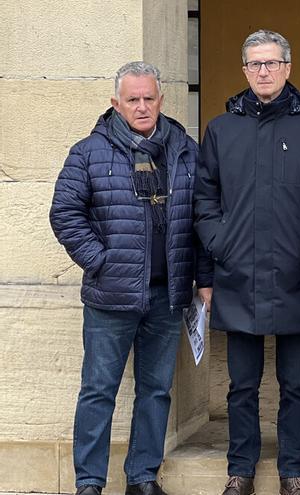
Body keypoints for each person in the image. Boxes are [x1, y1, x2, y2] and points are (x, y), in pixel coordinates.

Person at [50, 61, 211, 495]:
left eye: (148, 98)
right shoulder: (88, 151)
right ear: (116, 104)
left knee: (156, 390)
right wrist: (99, 260)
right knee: (98, 391)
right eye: (132, 99)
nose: (142, 107)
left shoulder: (185, 148)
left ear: (161, 99)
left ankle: (142, 478)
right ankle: (89, 482)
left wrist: (199, 278)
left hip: (167, 294)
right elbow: (65, 213)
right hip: (110, 296)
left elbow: (201, 217)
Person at [193, 30, 300, 495]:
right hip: (237, 274)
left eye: (272, 63)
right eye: (255, 64)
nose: (263, 71)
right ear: (244, 71)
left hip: (295, 274)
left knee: (296, 384)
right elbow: (203, 199)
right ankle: (241, 470)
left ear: (288, 68)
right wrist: (221, 246)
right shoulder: (221, 129)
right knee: (241, 386)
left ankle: (292, 471)